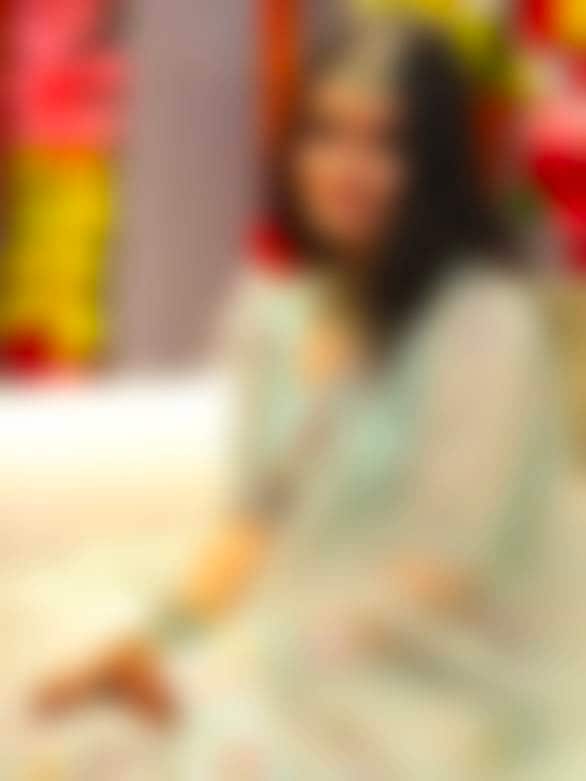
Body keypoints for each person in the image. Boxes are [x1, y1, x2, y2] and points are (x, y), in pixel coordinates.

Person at [37, 22, 560, 778]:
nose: (346, 168)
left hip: (450, 673)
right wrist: (152, 645)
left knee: (216, 749)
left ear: (435, 167)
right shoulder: (276, 315)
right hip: (300, 645)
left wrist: (242, 665)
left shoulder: (485, 323)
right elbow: (253, 523)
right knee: (79, 737)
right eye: (326, 135)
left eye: (384, 143)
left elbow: (445, 571)